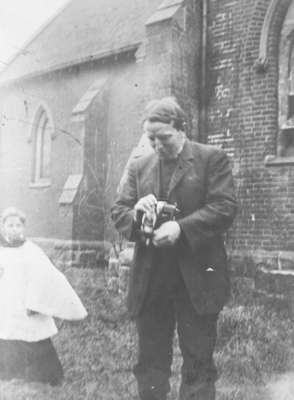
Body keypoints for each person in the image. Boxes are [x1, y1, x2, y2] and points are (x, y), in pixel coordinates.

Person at [111, 97, 238, 400]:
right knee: (150, 363)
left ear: (181, 129)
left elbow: (225, 207)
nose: (156, 145)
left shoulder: (211, 159)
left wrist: (181, 228)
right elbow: (119, 211)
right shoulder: (140, 166)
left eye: (163, 138)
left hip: (197, 278)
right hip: (152, 279)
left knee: (198, 362)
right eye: (150, 138)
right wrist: (138, 215)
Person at [0, 207, 87, 385]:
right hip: (7, 302)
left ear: (23, 228)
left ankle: (46, 376)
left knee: (35, 336)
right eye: (10, 225)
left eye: (18, 225)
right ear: (3, 228)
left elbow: (45, 276)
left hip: (28, 302)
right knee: (8, 336)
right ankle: (9, 373)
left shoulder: (31, 250)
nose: (14, 228)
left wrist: (36, 302)